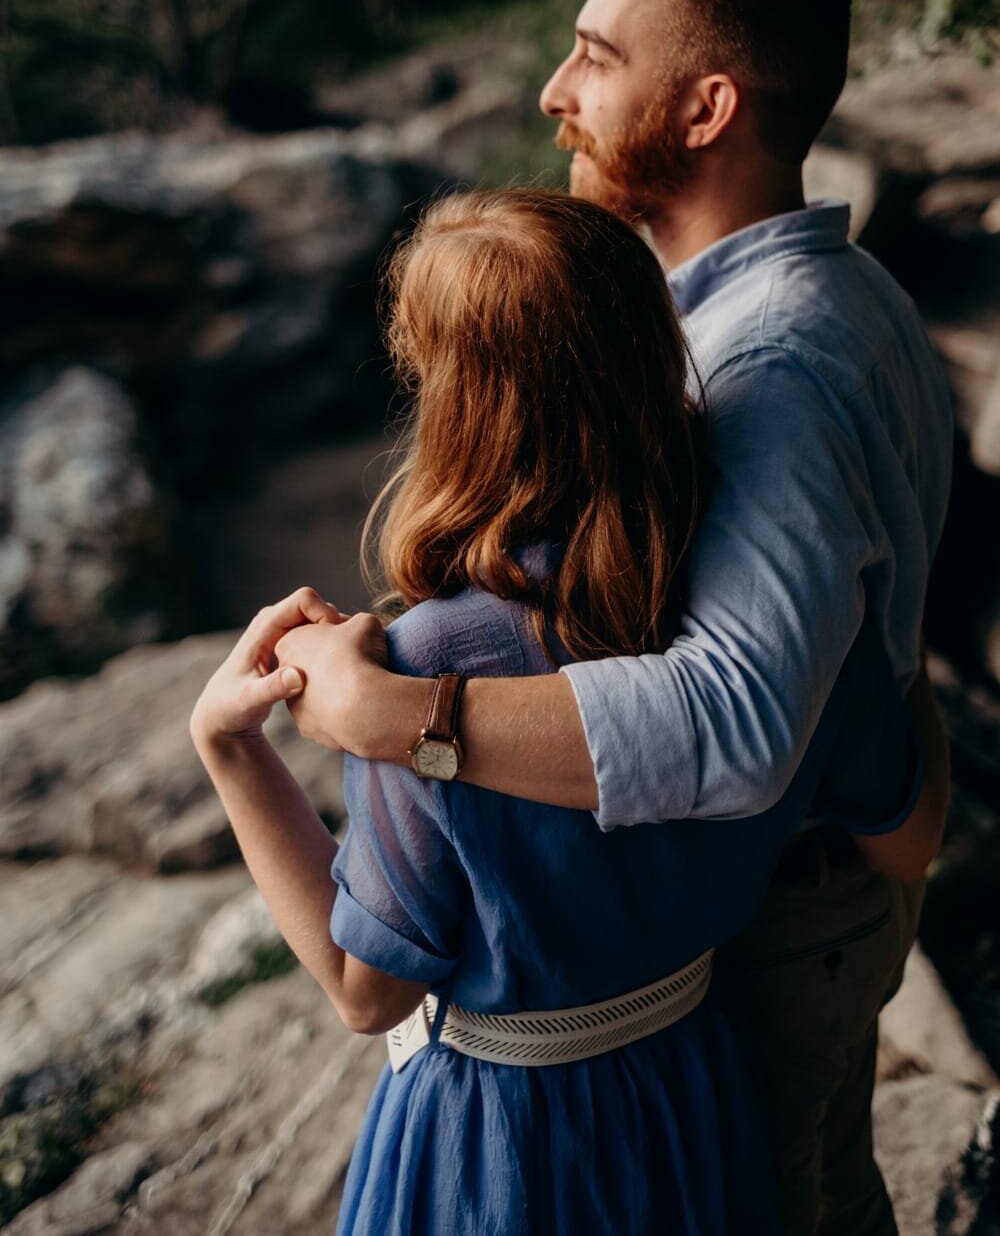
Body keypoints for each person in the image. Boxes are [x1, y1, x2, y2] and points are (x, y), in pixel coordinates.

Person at [270, 0, 954, 1236]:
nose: (552, 89)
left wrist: (393, 715)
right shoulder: (838, 294)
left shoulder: (772, 377)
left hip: (759, 939)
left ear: (704, 109)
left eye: (595, 53)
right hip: (817, 897)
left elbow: (736, 723)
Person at [192, 189, 928, 1235]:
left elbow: (368, 996)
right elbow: (901, 838)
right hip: (698, 1097)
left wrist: (227, 748)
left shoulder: (424, 669)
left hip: (508, 1140)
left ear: (453, 400)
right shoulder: (793, 618)